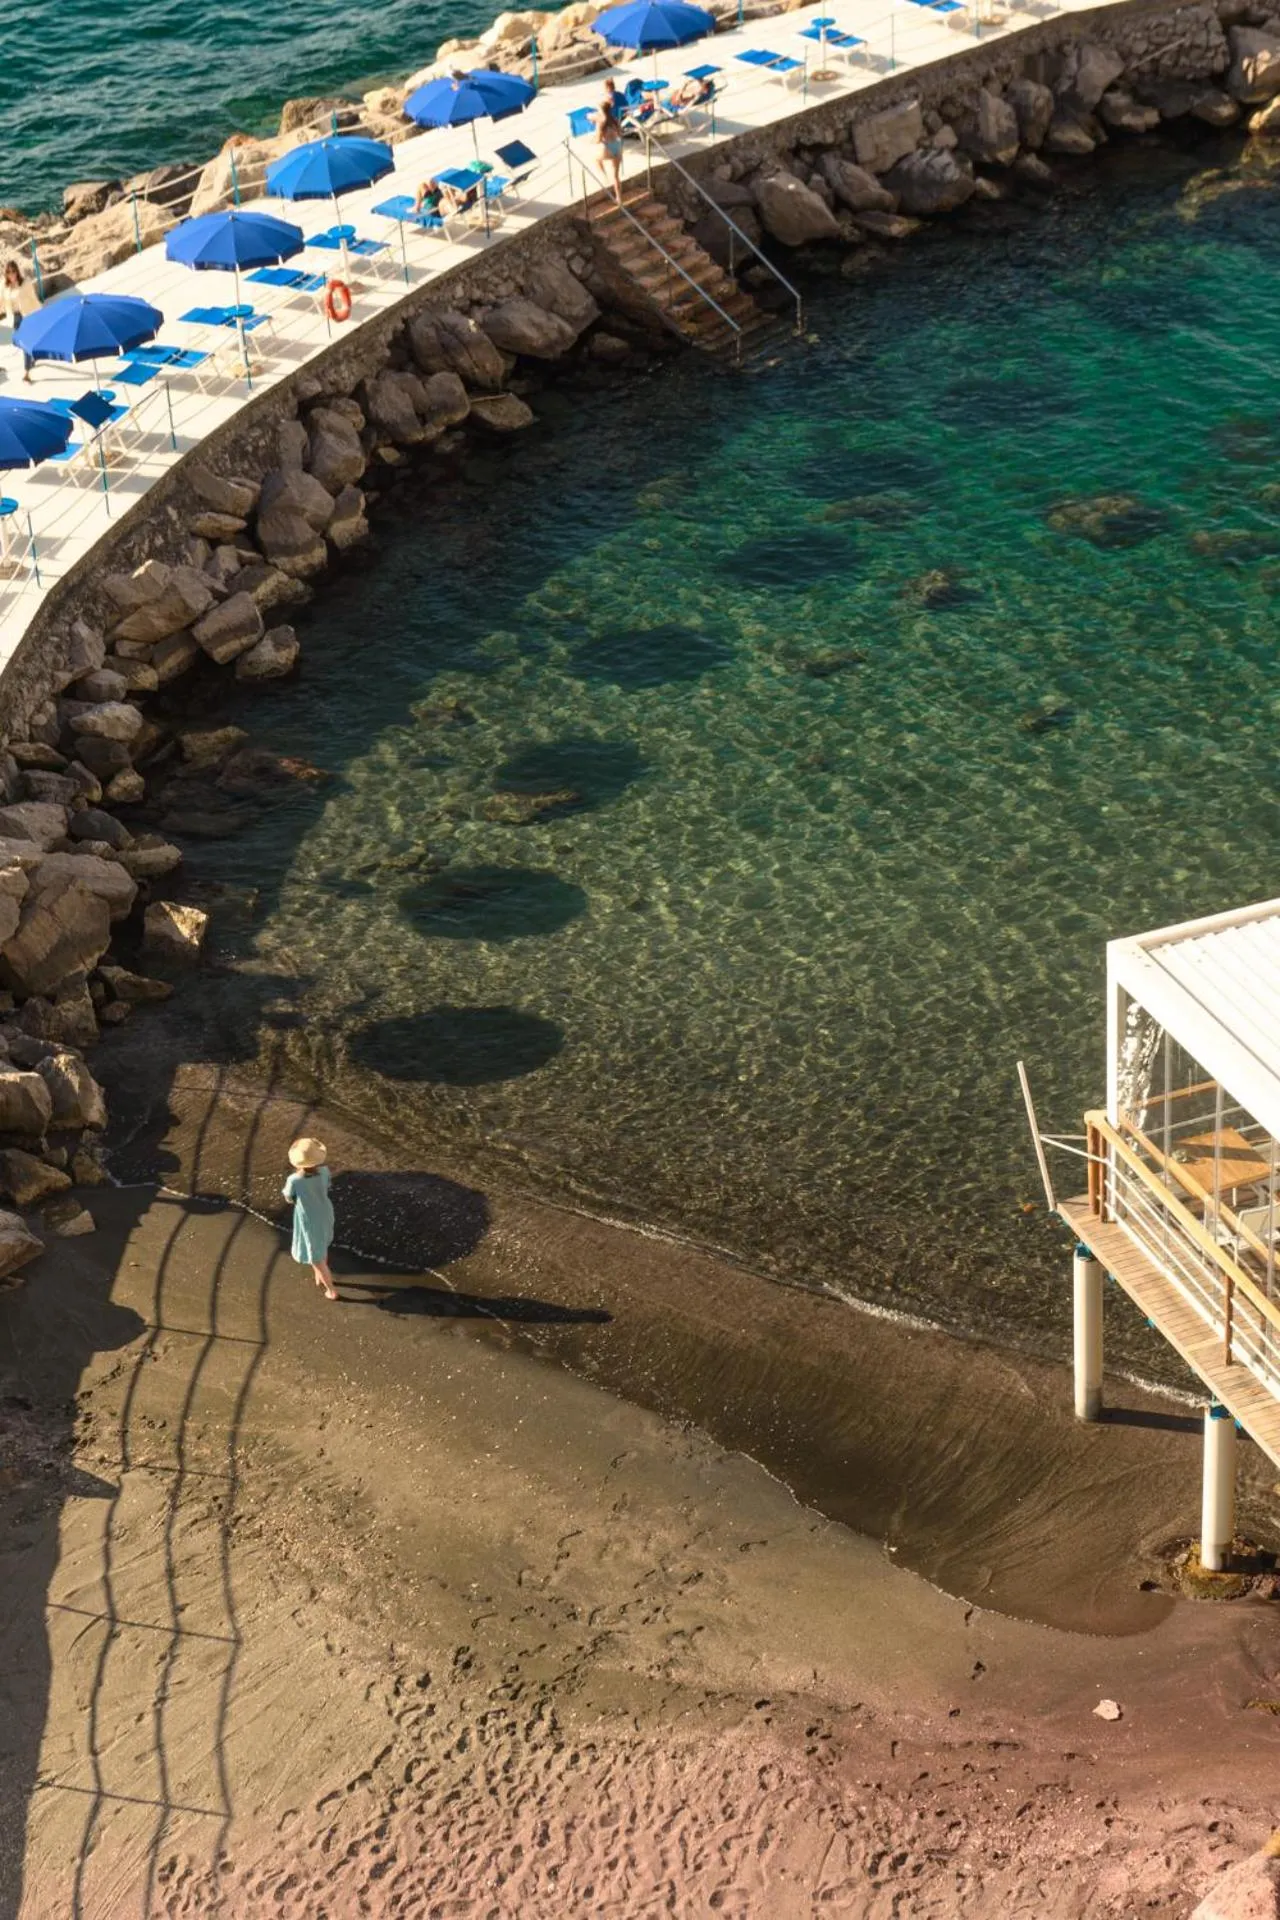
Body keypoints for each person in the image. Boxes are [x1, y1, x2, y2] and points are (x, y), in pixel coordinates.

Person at [283, 1138, 337, 1300]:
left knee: (315, 1256)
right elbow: (327, 1186)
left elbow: (288, 1197)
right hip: (325, 1211)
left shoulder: (295, 1180)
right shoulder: (325, 1172)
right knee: (321, 1244)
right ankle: (320, 1275)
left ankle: (331, 1290)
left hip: (308, 1217)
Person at [3, 262, 39, 381]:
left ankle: (27, 372)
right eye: (9, 272)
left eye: (13, 271)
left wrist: (41, 313)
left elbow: (34, 299)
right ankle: (33, 355)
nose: (11, 274)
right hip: (15, 317)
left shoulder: (25, 283)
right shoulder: (5, 287)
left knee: (25, 343)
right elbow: (2, 302)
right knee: (20, 342)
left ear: (17, 271)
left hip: (26, 316)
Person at [597, 105, 624, 206]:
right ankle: (619, 198)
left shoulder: (601, 123)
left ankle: (604, 177)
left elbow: (598, 139)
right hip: (616, 145)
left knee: (596, 159)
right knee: (616, 176)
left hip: (608, 147)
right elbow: (620, 133)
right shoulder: (614, 120)